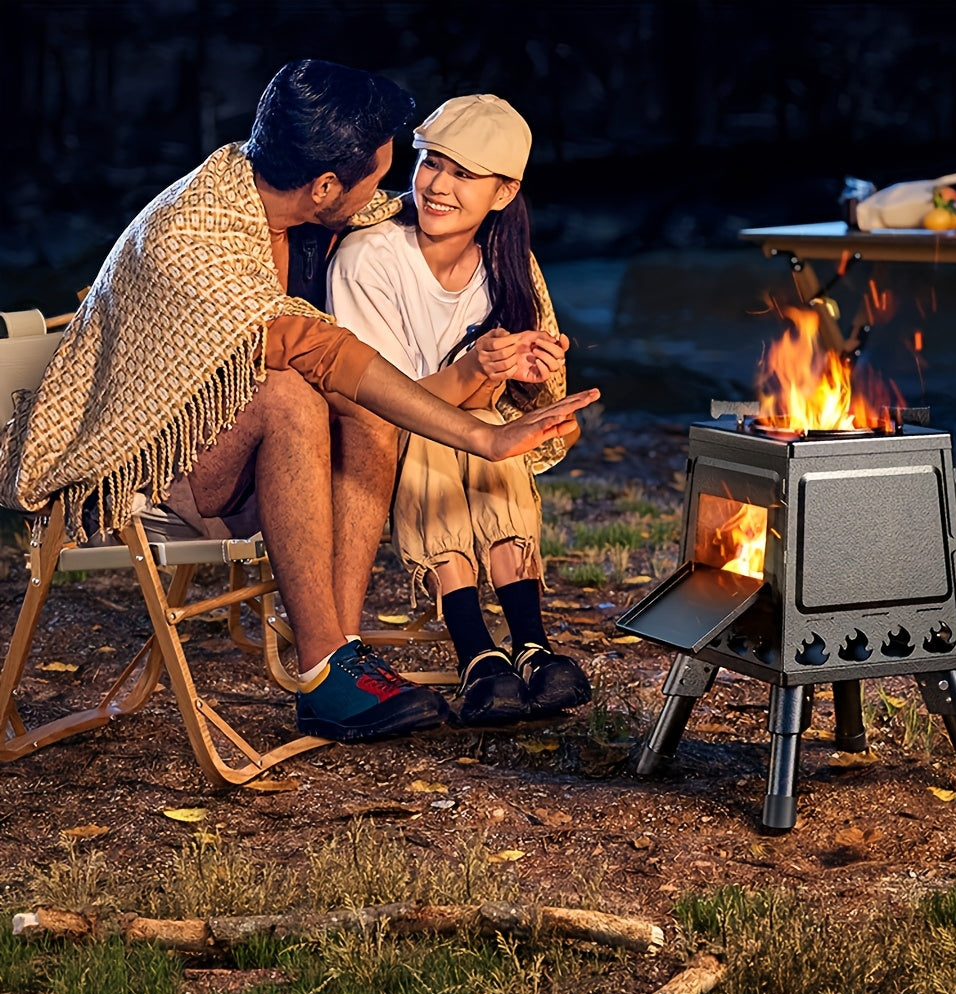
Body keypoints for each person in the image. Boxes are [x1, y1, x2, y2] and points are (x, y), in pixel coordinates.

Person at [0, 61, 598, 744]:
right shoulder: (194, 239)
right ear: (324, 185)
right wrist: (483, 438)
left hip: (237, 452)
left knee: (359, 410)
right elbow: (316, 349)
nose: (395, 191)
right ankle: (322, 673)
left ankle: (342, 654)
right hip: (151, 478)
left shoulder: (288, 195)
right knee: (294, 394)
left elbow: (369, 270)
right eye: (384, 174)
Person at [327, 94, 592, 725]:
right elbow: (382, 404)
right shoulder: (369, 260)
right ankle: (476, 651)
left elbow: (497, 405)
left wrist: (529, 386)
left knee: (496, 427)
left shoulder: (508, 265)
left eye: (463, 173)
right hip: (371, 445)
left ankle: (528, 647)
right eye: (428, 162)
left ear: (502, 192)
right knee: (441, 439)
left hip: (463, 440)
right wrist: (476, 371)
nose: (437, 185)